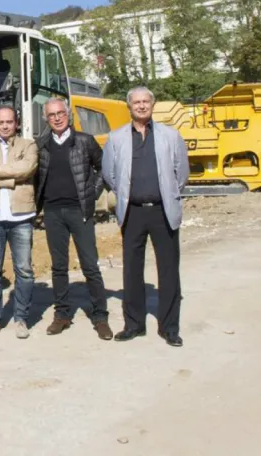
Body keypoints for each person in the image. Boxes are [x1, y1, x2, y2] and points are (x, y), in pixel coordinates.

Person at [101, 86, 189, 347]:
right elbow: (110, 175)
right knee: (132, 270)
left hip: (163, 211)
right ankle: (134, 324)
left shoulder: (171, 136)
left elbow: (181, 174)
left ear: (153, 104)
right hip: (133, 213)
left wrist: (168, 193)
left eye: (145, 101)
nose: (141, 106)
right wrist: (129, 193)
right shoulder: (116, 138)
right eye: (136, 102)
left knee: (169, 270)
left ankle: (169, 328)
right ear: (129, 107)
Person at [35, 97, 112, 341]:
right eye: (52, 115)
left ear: (68, 114)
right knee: (59, 267)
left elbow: (105, 169)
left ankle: (100, 317)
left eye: (60, 113)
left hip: (80, 212)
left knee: (90, 266)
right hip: (53, 212)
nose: (57, 118)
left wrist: (93, 192)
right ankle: (62, 315)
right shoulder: (42, 145)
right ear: (46, 118)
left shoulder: (84, 141)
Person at [0, 105, 38, 338]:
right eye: (1, 122)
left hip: (21, 216)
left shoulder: (28, 145)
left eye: (9, 122)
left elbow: (27, 168)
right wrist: (12, 179)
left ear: (16, 123)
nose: (5, 126)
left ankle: (21, 319)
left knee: (24, 270)